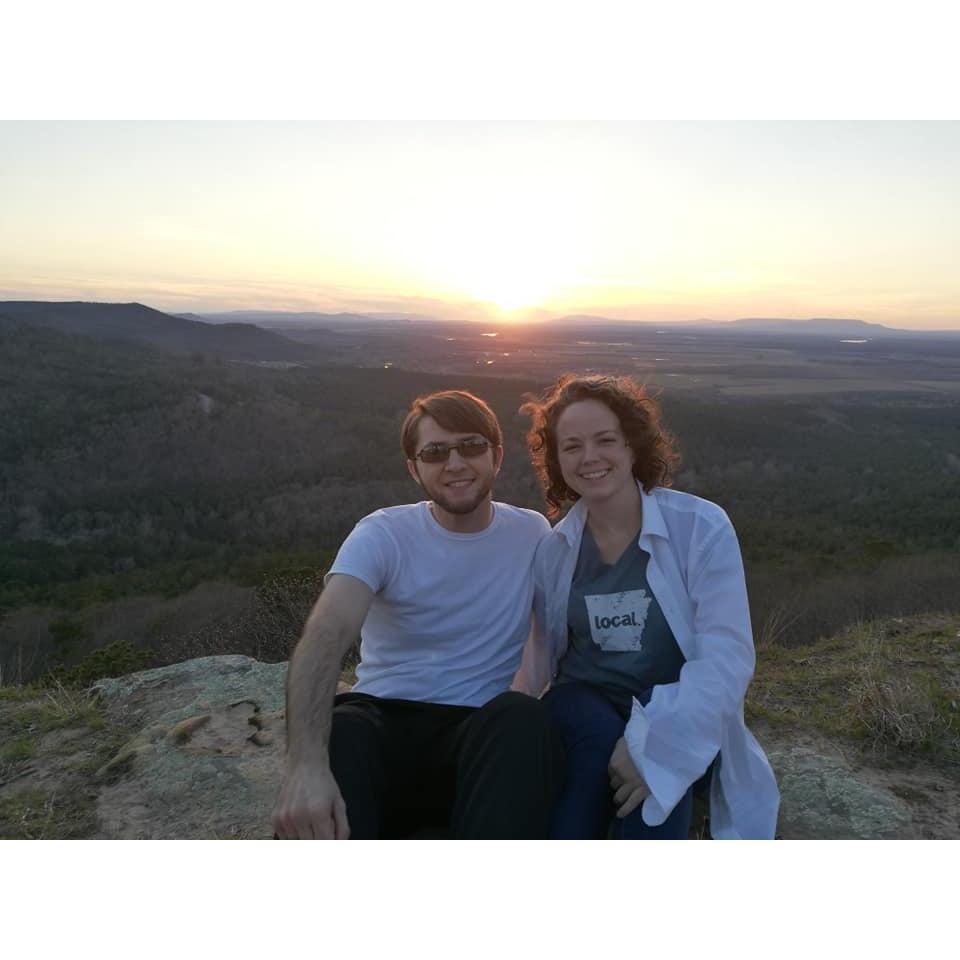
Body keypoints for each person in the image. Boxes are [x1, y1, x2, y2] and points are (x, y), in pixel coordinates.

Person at [271, 389, 559, 840]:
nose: (456, 463)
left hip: (479, 734)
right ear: (414, 468)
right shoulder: (383, 534)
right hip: (382, 723)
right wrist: (303, 768)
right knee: (343, 729)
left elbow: (556, 634)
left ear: (497, 456)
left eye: (471, 446)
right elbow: (326, 633)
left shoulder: (531, 532)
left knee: (523, 718)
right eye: (435, 452)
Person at [514, 373, 779, 840]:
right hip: (582, 705)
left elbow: (727, 657)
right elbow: (534, 660)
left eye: (605, 440)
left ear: (633, 446)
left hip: (672, 708)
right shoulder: (555, 550)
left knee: (656, 809)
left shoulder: (699, 528)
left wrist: (652, 745)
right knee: (583, 787)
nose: (589, 457)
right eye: (571, 446)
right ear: (556, 460)